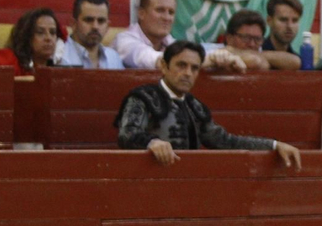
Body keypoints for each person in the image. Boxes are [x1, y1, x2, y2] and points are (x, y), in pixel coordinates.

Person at [115, 40, 303, 169]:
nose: (188, 73)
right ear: (164, 66)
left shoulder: (194, 107)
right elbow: (127, 133)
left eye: (194, 68)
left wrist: (273, 145)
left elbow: (226, 142)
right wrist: (151, 142)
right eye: (181, 65)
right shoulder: (142, 97)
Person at [54, 0, 124, 70]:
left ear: (107, 26)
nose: (95, 26)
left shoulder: (113, 58)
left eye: (101, 21)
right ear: (73, 24)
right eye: (88, 20)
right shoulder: (59, 56)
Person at [0, 6, 59, 72]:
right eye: (40, 32)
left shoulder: (59, 64)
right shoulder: (9, 60)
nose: (48, 38)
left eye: (53, 32)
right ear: (26, 35)